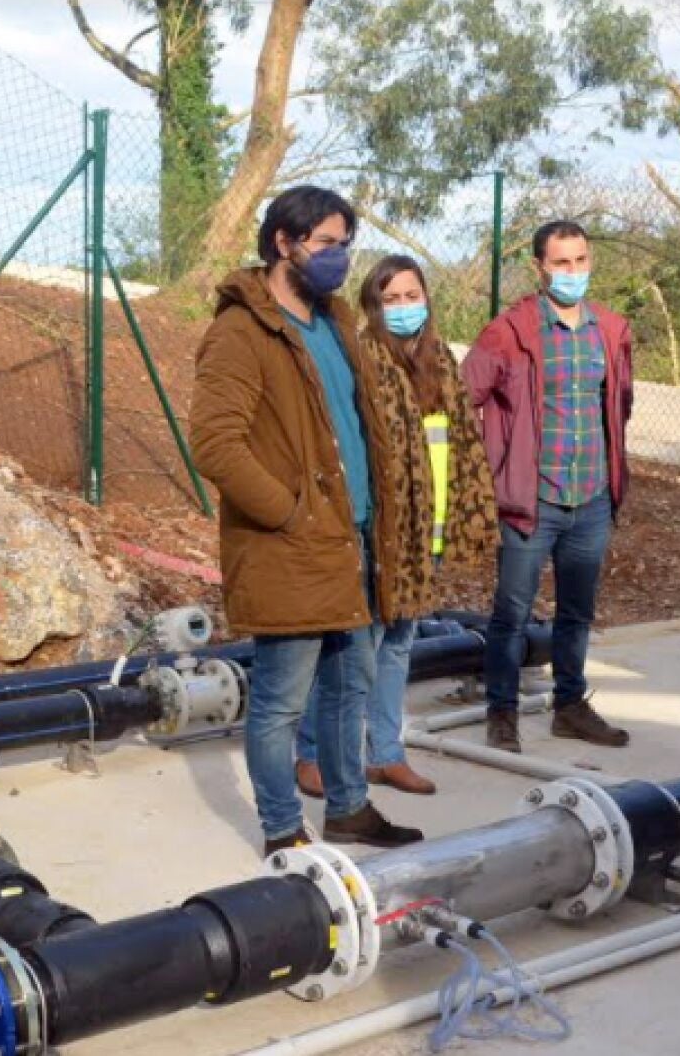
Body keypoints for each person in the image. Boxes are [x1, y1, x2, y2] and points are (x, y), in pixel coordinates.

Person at [189, 185, 426, 856]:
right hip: (292, 546)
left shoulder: (336, 324)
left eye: (345, 244)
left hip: (354, 539)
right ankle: (282, 830)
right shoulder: (242, 333)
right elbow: (215, 443)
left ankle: (349, 809)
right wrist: (289, 514)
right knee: (281, 703)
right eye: (326, 243)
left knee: (350, 688)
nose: (340, 257)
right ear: (283, 243)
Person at [294, 255, 500, 799]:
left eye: (412, 296)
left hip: (428, 530)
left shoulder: (440, 359)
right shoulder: (362, 359)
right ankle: (311, 753)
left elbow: (462, 444)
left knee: (399, 646)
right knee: (353, 651)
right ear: (373, 306)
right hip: (385, 531)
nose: (404, 307)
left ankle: (385, 754)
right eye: (392, 299)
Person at [462, 220, 635, 754]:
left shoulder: (611, 330)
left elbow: (620, 404)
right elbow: (462, 397)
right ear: (539, 267)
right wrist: (493, 465)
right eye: (561, 262)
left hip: (592, 498)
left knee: (577, 612)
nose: (572, 271)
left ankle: (570, 707)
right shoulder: (508, 333)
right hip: (531, 501)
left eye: (580, 260)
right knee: (511, 613)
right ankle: (502, 713)